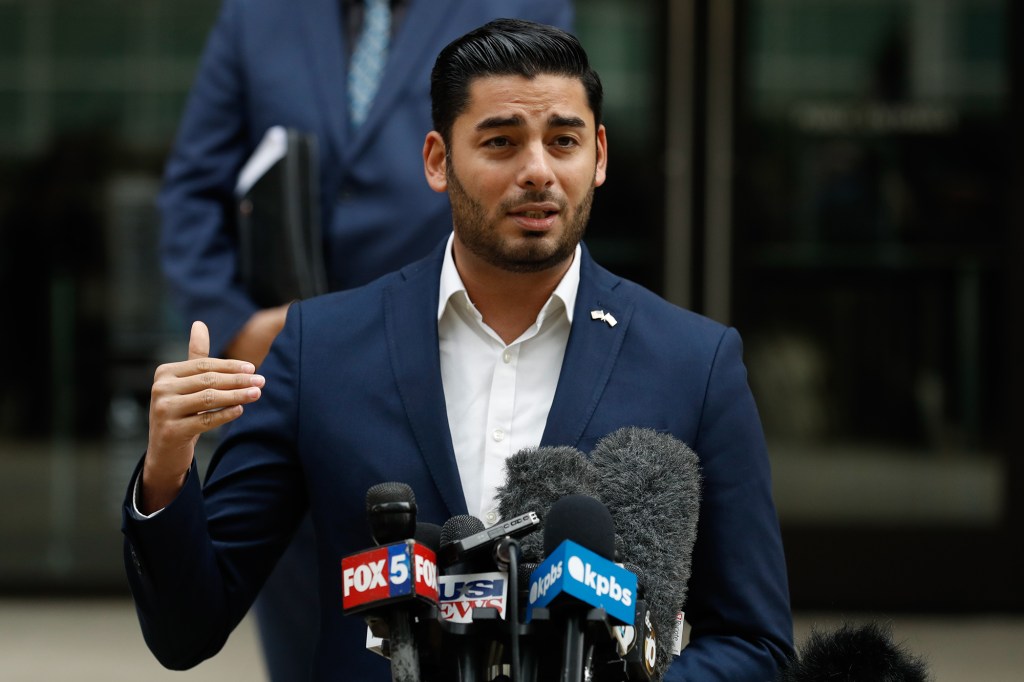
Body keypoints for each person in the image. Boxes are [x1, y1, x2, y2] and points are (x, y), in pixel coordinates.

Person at [126, 19, 794, 681]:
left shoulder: (695, 363)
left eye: (563, 141)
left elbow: (755, 644)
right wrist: (167, 470)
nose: (538, 171)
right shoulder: (320, 349)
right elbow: (188, 629)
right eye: (501, 142)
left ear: (600, 156)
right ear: (438, 161)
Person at [157, 2, 572, 678]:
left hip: (443, 368)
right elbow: (192, 192)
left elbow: (535, 166)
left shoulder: (517, 5)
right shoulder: (258, 16)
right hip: (289, 377)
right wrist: (240, 325)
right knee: (316, 645)